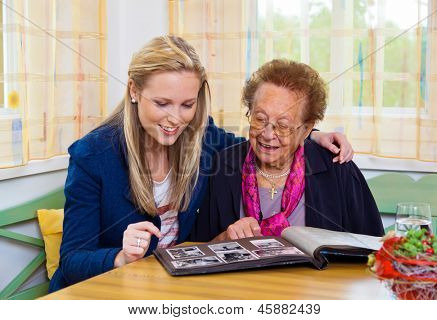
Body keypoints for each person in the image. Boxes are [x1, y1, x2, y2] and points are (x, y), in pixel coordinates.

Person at [49, 36, 354, 292]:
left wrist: (309, 133)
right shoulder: (93, 155)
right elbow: (73, 260)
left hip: (169, 291)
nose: (175, 119)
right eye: (162, 103)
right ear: (133, 90)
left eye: (187, 104)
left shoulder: (200, 135)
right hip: (104, 293)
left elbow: (257, 142)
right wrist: (120, 257)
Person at [191, 59, 384, 242]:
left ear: (307, 129)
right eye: (259, 118)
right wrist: (224, 239)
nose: (267, 134)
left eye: (283, 125)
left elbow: (373, 250)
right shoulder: (224, 166)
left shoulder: (337, 168)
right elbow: (197, 250)